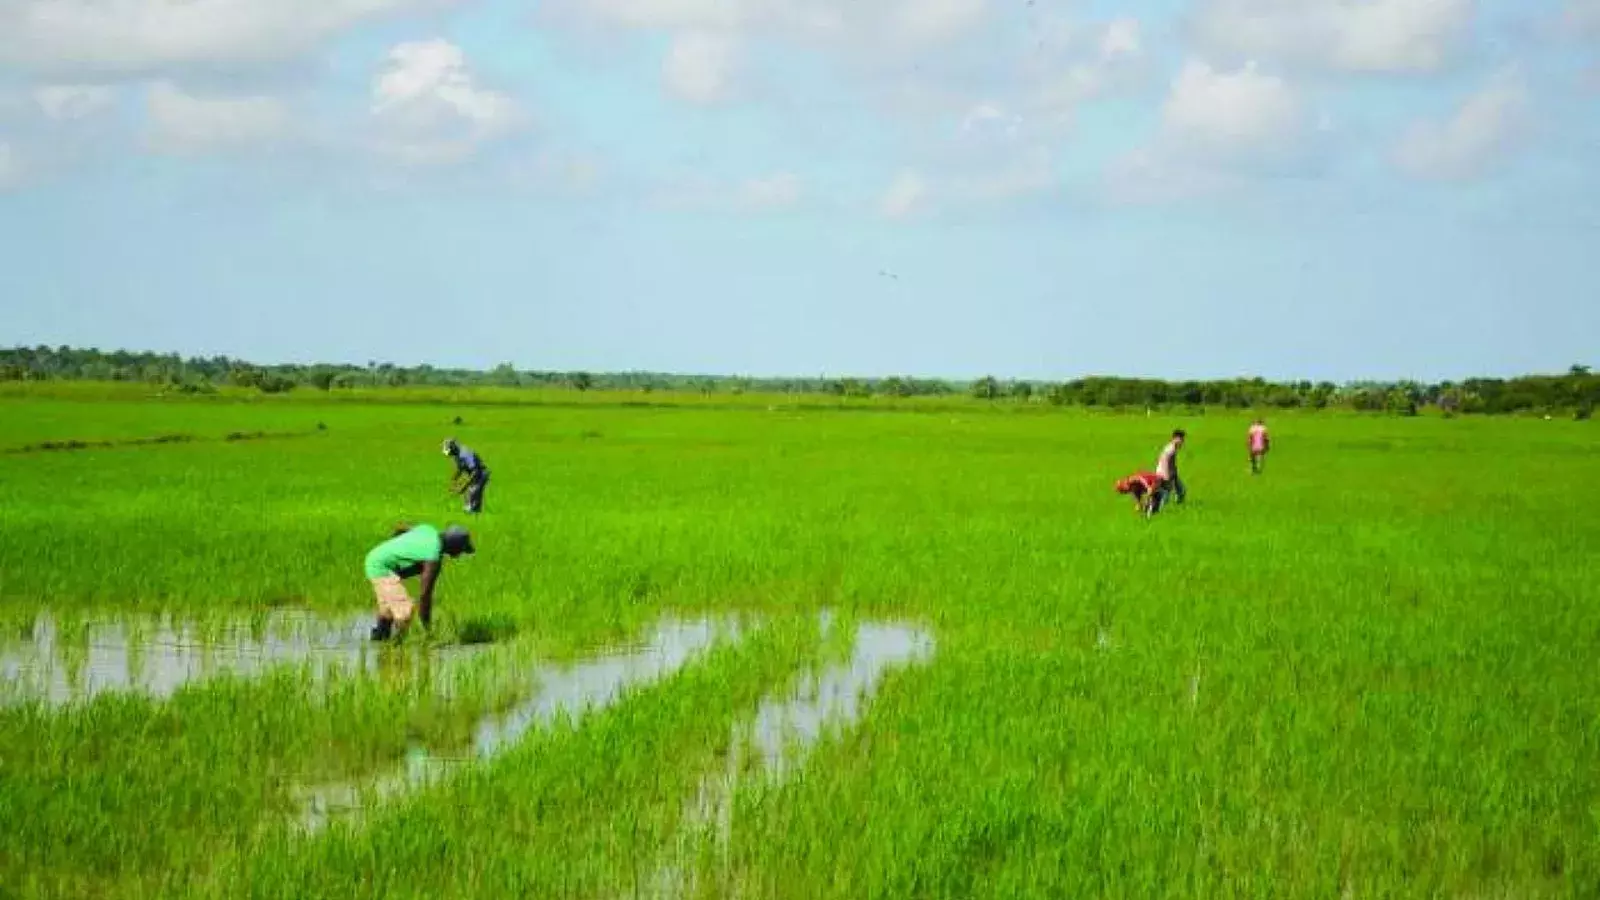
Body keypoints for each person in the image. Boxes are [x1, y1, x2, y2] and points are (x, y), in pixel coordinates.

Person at [364, 522, 474, 641]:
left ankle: (380, 638)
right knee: (405, 612)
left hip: (376, 557)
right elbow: (425, 595)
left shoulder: (428, 530)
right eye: (461, 550)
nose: (459, 555)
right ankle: (398, 647)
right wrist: (427, 630)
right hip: (381, 567)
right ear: (454, 546)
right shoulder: (433, 556)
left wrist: (395, 549)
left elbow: (401, 528)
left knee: (388, 612)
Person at [443, 438, 490, 514]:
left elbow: (475, 470)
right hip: (474, 472)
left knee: (474, 489)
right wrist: (454, 478)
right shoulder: (457, 455)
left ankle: (474, 509)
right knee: (472, 490)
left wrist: (464, 486)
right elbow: (461, 468)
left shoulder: (465, 454)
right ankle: (473, 508)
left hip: (481, 473)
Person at [1153, 429, 1186, 512]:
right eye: (1180, 439)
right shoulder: (1170, 449)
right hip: (1165, 473)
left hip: (1170, 473)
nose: (1182, 442)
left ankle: (1179, 506)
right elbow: (1165, 460)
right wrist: (1167, 475)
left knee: (1181, 490)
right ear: (1175, 438)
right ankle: (1157, 509)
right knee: (1166, 494)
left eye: (1182, 439)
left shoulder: (1172, 447)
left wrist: (1174, 472)